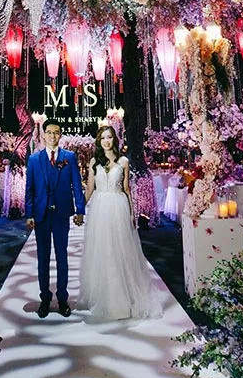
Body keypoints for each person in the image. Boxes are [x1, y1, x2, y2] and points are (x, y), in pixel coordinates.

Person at [79, 125, 164, 320]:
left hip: (118, 205)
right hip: (100, 206)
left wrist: (132, 213)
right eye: (103, 138)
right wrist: (80, 209)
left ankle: (122, 296)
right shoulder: (94, 162)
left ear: (114, 140)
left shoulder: (123, 161)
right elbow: (90, 188)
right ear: (99, 142)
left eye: (109, 137)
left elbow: (126, 189)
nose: (107, 141)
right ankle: (102, 294)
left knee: (120, 249)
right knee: (102, 249)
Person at [25, 120, 85, 318]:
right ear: (44, 134)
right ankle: (44, 298)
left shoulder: (70, 157)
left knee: (62, 257)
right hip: (41, 215)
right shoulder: (34, 159)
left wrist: (80, 210)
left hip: (61, 214)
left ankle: (62, 298)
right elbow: (30, 190)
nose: (52, 136)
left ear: (60, 135)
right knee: (43, 258)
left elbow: (76, 184)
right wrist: (29, 214)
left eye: (56, 132)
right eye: (49, 132)